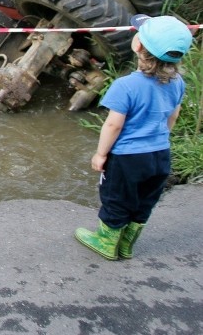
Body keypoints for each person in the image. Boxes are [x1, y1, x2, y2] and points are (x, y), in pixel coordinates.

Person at [74, 14, 193, 260]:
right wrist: (160, 138)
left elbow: (114, 125)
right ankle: (127, 245)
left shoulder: (125, 85)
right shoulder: (177, 82)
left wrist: (101, 154)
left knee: (116, 197)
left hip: (128, 157)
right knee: (145, 199)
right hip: (160, 154)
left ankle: (106, 242)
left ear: (137, 45)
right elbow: (173, 114)